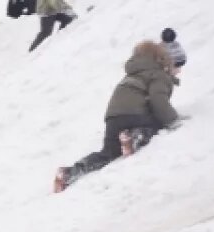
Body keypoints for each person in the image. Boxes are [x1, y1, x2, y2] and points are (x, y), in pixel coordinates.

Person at [54, 40, 181, 192]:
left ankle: (69, 173)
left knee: (108, 152)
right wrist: (173, 120)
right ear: (166, 62)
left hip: (113, 118)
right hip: (135, 114)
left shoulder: (133, 73)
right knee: (158, 122)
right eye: (178, 65)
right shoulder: (159, 75)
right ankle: (135, 137)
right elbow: (158, 100)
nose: (179, 70)